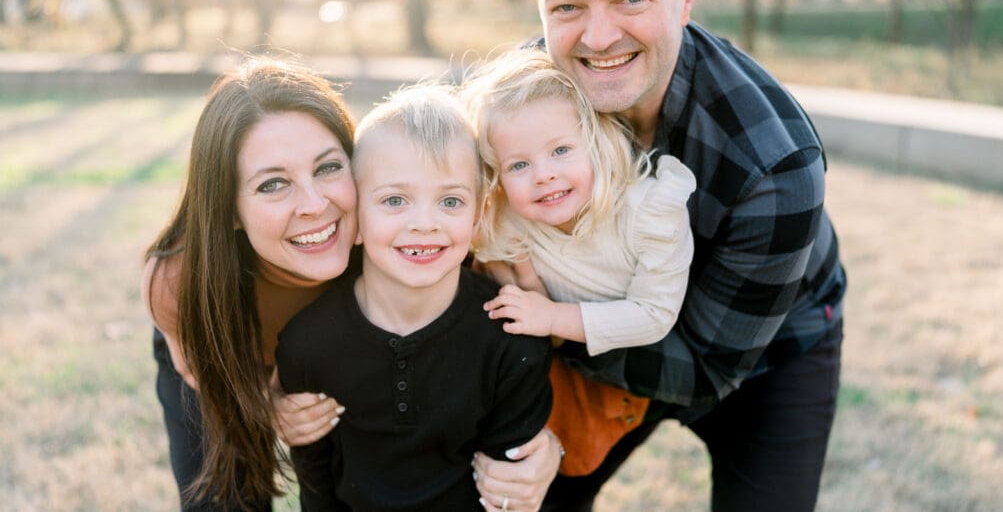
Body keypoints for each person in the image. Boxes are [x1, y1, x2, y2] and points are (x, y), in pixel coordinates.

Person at [476, 0, 848, 512]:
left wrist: (554, 321)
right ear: (540, 7)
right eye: (565, 7)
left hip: (765, 350)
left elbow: (704, 367)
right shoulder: (516, 105)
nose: (597, 36)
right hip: (592, 316)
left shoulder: (775, 163)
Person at [141, 61, 562, 511]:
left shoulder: (414, 238)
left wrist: (550, 446)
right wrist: (266, 404)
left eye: (327, 168)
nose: (316, 205)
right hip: (232, 366)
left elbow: (522, 359)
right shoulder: (183, 284)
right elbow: (222, 395)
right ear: (228, 209)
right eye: (273, 184)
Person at [276, 83, 553, 511]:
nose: (425, 223)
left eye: (450, 200)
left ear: (479, 216)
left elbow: (509, 490)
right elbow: (316, 486)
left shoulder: (511, 340)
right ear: (355, 216)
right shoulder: (307, 344)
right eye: (394, 200)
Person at [463, 49, 696, 476]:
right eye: (519, 164)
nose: (543, 174)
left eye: (561, 150)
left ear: (595, 140)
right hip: (544, 365)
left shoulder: (648, 212)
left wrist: (551, 316)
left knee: (575, 469)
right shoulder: (505, 217)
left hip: (623, 374)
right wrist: (527, 289)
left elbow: (654, 314)